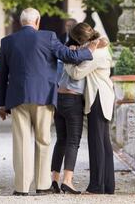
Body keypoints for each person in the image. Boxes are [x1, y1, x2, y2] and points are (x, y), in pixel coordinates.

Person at [0, 8, 99, 196]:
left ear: (21, 23)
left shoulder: (8, 42)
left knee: (21, 142)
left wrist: (1, 104)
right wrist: (90, 50)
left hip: (17, 98)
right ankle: (43, 185)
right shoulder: (48, 37)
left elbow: (1, 75)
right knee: (43, 140)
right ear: (37, 21)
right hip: (43, 97)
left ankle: (21, 188)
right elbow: (70, 57)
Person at [64, 23, 115, 194]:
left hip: (98, 97)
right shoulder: (97, 47)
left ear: (80, 39)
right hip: (103, 96)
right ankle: (108, 185)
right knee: (104, 141)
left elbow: (77, 73)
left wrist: (67, 62)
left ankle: (97, 186)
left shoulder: (96, 54)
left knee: (97, 142)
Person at [51, 36, 85, 195]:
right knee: (73, 141)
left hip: (59, 99)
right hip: (73, 99)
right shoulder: (79, 56)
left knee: (61, 140)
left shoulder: (61, 57)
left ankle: (54, 180)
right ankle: (67, 181)